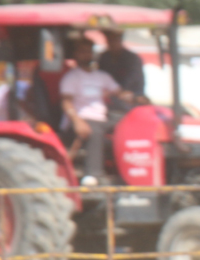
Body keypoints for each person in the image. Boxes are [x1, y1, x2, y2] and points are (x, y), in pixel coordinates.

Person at [60, 37, 123, 185]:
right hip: (79, 119)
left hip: (102, 119)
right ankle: (94, 176)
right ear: (75, 54)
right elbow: (66, 101)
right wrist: (77, 122)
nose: (86, 55)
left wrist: (133, 98)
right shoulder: (71, 77)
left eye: (89, 52)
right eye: (82, 52)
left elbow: (119, 92)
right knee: (95, 131)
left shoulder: (102, 76)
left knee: (126, 125)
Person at [98, 29, 147, 106]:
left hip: (132, 95)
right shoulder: (104, 57)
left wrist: (121, 91)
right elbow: (101, 75)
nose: (112, 43)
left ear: (120, 40)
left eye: (114, 40)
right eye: (110, 40)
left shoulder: (132, 58)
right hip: (111, 96)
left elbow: (133, 78)